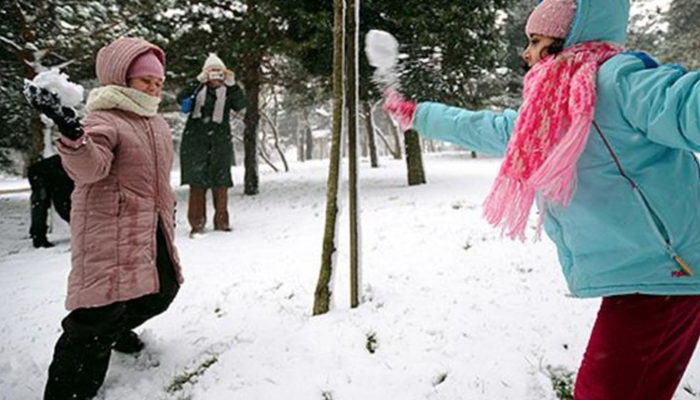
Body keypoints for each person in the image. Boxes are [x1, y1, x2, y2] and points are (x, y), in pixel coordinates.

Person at [383, 0, 700, 399]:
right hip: (646, 275)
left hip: (667, 271)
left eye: (535, 40)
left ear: (567, 38)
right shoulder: (549, 109)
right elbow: (490, 127)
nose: (526, 53)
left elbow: (685, 103)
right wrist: (420, 115)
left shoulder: (618, 81)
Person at [24, 37, 184, 400]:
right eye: (145, 80)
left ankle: (114, 332)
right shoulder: (104, 118)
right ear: (121, 79)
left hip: (149, 228)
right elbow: (89, 169)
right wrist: (72, 134)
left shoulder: (156, 124)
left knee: (163, 290)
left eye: (158, 81)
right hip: (108, 232)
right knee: (94, 320)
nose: (154, 87)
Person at [177, 53, 247, 236]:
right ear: (205, 74)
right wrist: (196, 81)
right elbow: (180, 99)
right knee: (197, 184)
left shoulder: (228, 91)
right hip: (195, 142)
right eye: (212, 73)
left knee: (221, 183)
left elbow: (241, 105)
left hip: (220, 142)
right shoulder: (197, 89)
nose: (215, 77)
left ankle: (222, 222)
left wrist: (233, 85)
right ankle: (197, 224)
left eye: (219, 73)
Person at [27, 154, 74, 248]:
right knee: (41, 203)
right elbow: (63, 205)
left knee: (41, 204)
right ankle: (38, 238)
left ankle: (37, 235)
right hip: (41, 174)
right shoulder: (70, 174)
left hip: (47, 173)